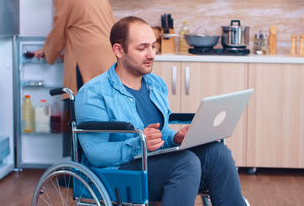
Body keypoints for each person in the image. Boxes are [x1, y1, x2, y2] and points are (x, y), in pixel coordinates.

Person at [75, 16, 248, 206]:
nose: (151, 55)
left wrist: (175, 138)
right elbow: (95, 153)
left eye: (153, 47)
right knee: (186, 162)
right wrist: (138, 143)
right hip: (118, 174)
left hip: (155, 166)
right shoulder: (93, 93)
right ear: (119, 50)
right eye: (142, 48)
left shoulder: (156, 84)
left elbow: (161, 133)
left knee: (217, 153)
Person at [35, 0, 116, 94]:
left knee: (83, 104)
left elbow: (58, 32)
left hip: (87, 59)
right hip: (110, 55)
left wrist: (48, 52)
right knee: (105, 103)